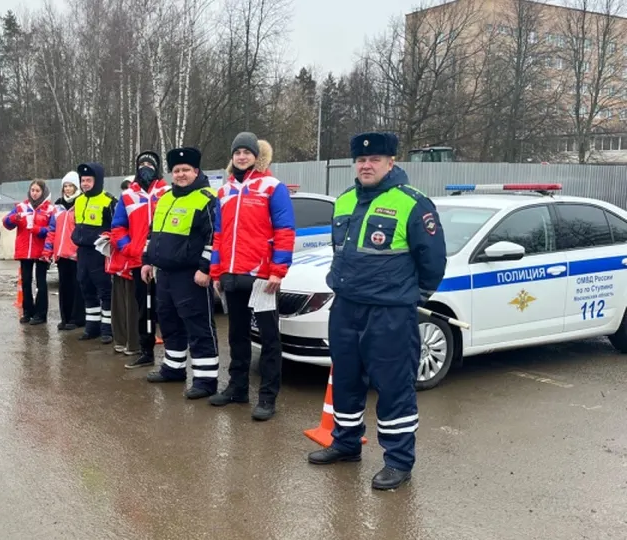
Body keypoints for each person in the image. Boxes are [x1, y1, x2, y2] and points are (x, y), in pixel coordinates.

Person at [306, 131, 447, 491]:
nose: (366, 165)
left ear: (391, 162)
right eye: (361, 160)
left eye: (375, 160)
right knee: (347, 380)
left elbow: (433, 261)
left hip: (390, 314)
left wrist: (411, 296)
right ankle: (346, 443)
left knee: (394, 386)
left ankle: (398, 461)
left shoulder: (413, 204)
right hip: (347, 308)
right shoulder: (344, 201)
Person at [209, 132, 295, 422]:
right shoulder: (225, 191)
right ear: (232, 157)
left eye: (247, 152)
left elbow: (284, 230)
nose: (242, 157)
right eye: (238, 152)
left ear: (257, 157)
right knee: (236, 335)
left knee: (270, 339)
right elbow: (219, 235)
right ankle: (237, 388)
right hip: (232, 276)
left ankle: (268, 397)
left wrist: (278, 270)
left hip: (261, 278)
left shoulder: (272, 187)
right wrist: (216, 271)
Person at [141, 147, 220, 400]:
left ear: (196, 171)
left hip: (191, 275)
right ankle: (173, 369)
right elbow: (153, 234)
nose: (181, 174)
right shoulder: (164, 197)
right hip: (164, 273)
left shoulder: (207, 198)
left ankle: (206, 380)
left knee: (198, 325)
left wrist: (205, 268)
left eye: (186, 170)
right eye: (177, 170)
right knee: (170, 323)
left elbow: (214, 238)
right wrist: (146, 261)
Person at [111, 151, 170, 369]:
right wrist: (128, 248)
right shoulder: (128, 195)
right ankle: (146, 351)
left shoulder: (168, 192)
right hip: (138, 262)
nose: (146, 168)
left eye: (150, 164)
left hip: (163, 262)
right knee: (143, 308)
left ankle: (173, 356)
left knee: (165, 308)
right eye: (142, 164)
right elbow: (118, 227)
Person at [72, 162, 117, 343]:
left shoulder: (108, 201)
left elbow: (116, 227)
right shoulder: (79, 200)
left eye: (88, 180)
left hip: (100, 252)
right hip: (82, 252)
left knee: (104, 290)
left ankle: (107, 329)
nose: (85, 184)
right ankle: (92, 328)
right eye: (83, 180)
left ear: (97, 181)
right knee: (86, 288)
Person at [3, 179, 54, 325]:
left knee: (41, 283)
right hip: (25, 251)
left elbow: (52, 230)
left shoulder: (49, 209)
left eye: (38, 191)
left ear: (43, 192)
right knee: (26, 282)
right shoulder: (21, 207)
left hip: (41, 251)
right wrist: (14, 218)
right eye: (33, 190)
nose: (35, 193)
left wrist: (38, 230)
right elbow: (6, 223)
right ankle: (27, 311)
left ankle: (41, 314)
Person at [43, 172, 85, 331]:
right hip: (61, 254)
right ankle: (65, 317)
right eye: (65, 186)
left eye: (70, 186)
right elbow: (52, 230)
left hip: (75, 253)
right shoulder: (58, 206)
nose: (67, 189)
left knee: (77, 287)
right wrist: (48, 250)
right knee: (64, 287)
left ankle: (76, 318)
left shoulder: (81, 203)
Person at [108, 177, 140, 355]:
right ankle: (120, 339)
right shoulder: (121, 205)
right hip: (120, 261)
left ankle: (134, 342)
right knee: (119, 305)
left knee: (133, 305)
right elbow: (116, 227)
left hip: (134, 261)